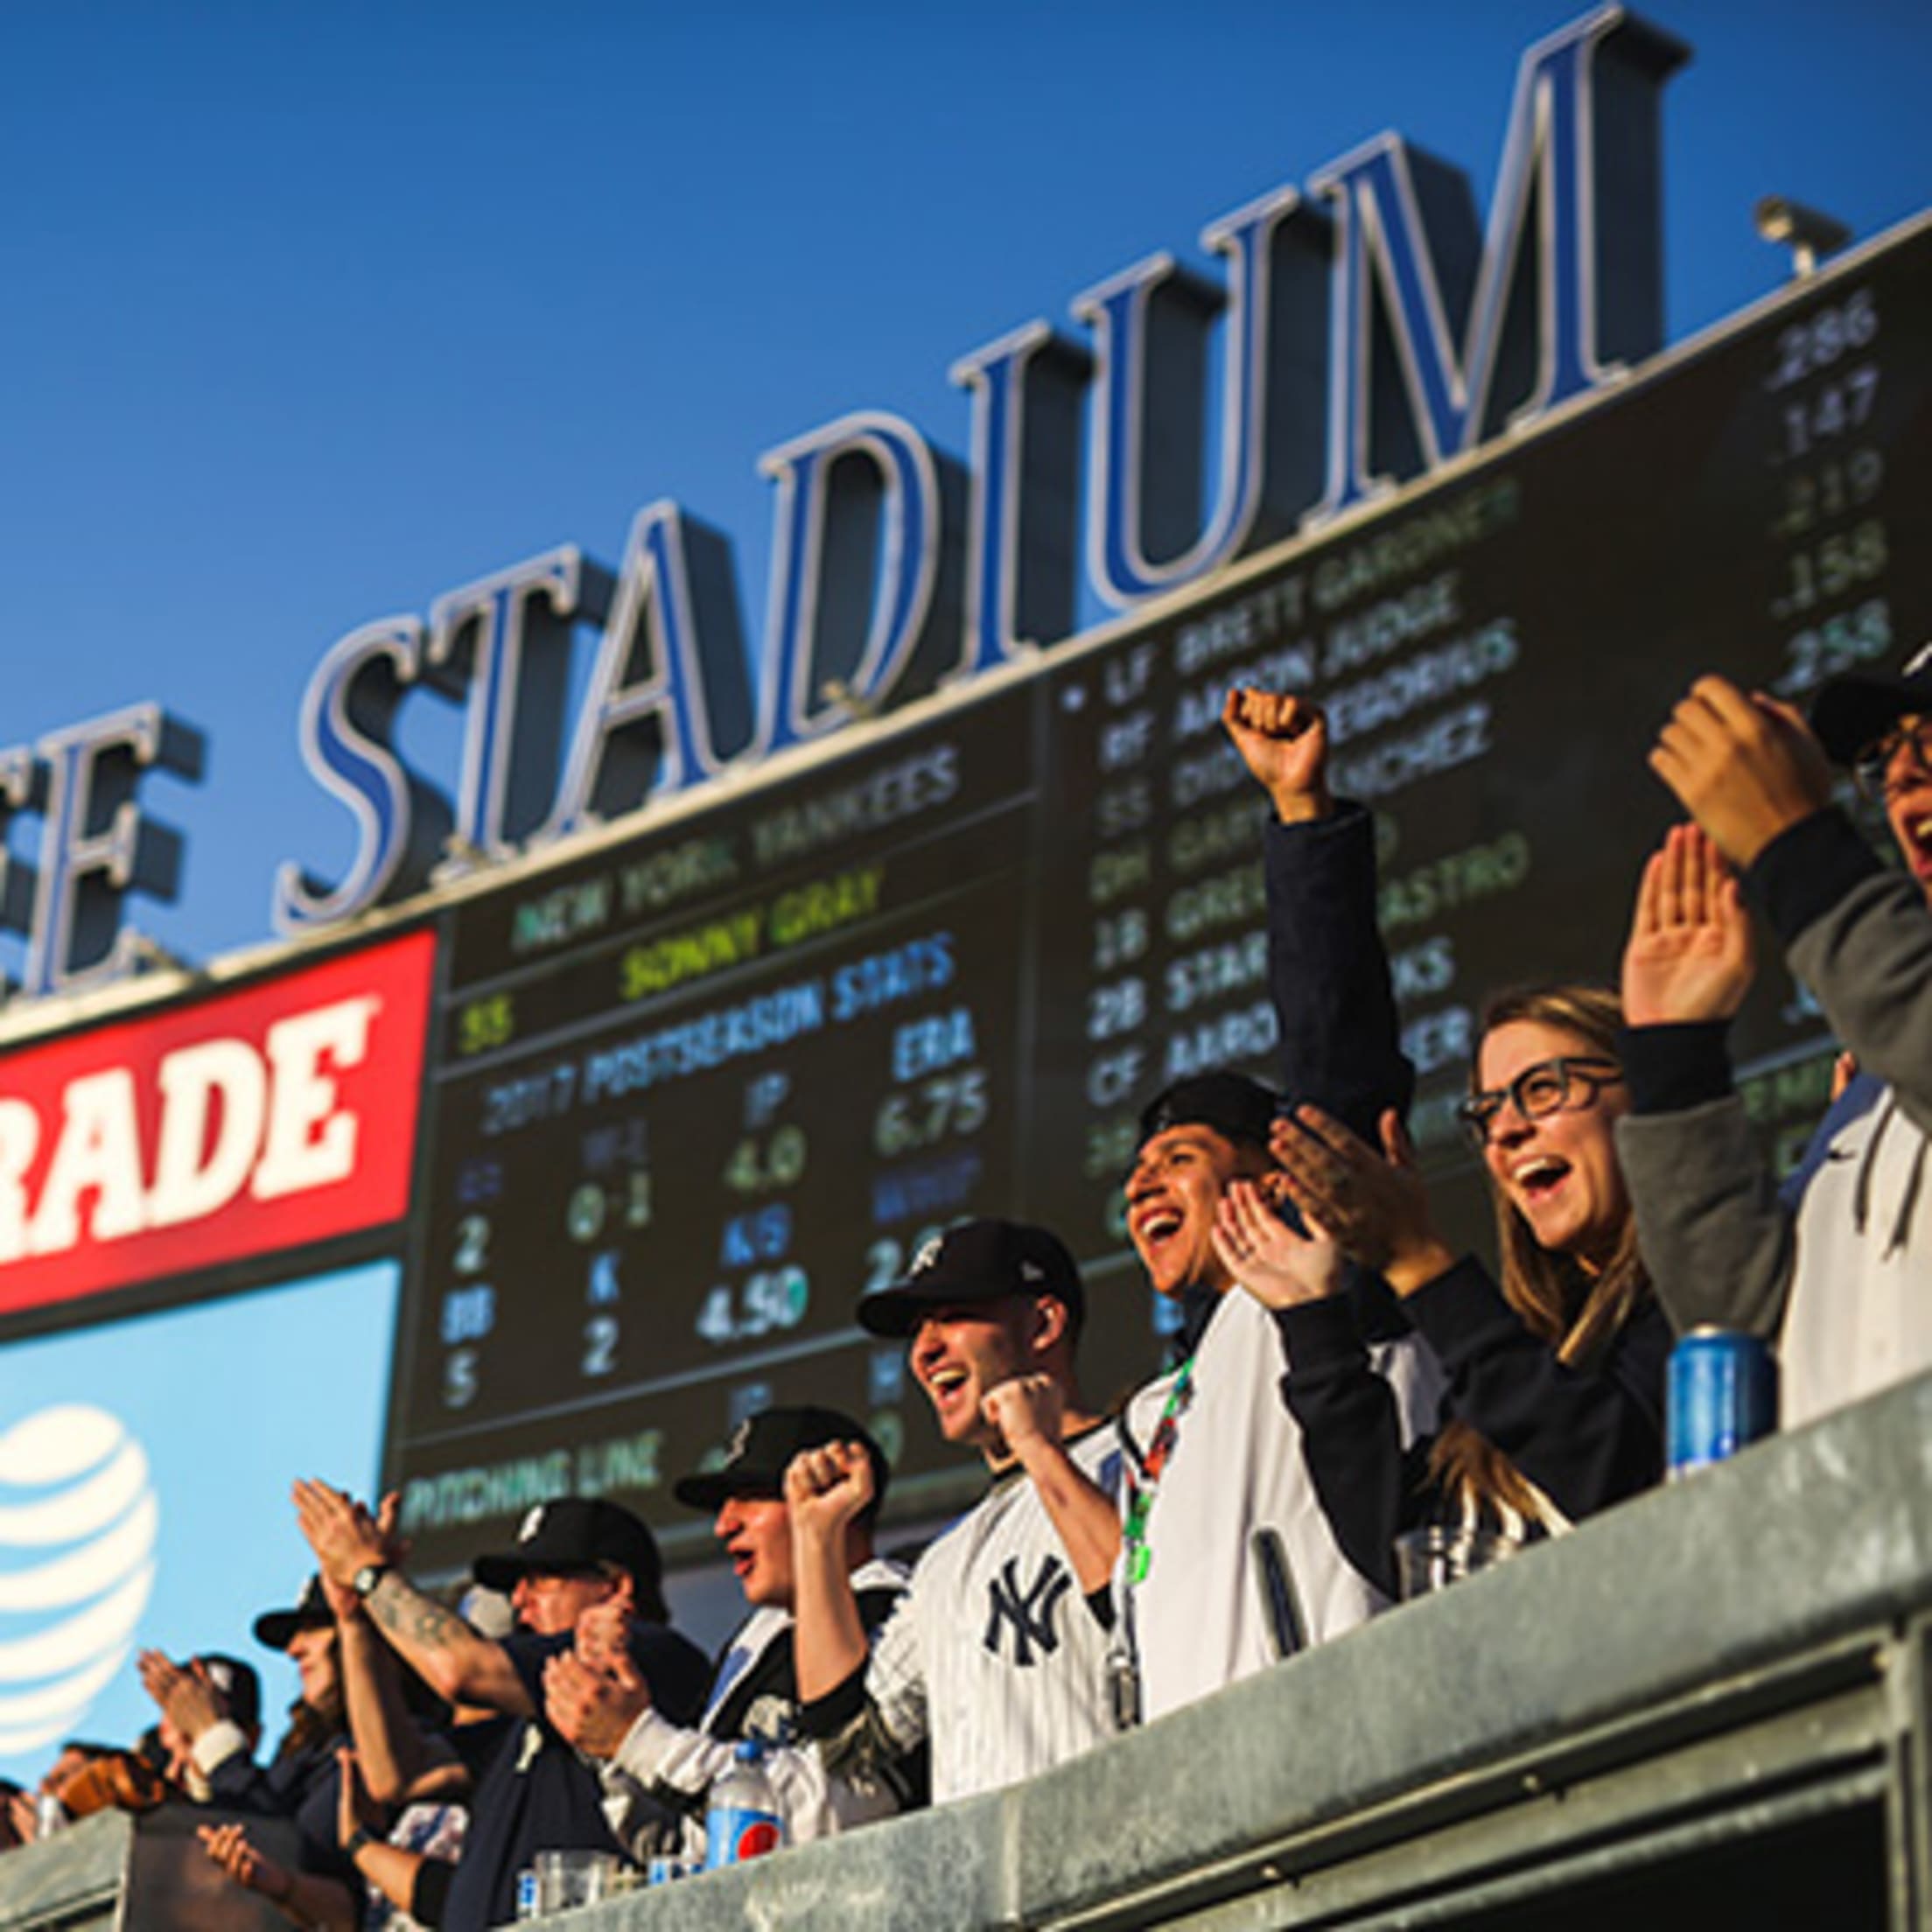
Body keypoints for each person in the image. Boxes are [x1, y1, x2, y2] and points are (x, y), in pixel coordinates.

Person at [1108, 691, 1444, 1718]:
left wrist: (1305, 825)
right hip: (1206, 1810)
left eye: (1177, 1158)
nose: (1140, 1186)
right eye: (1135, 1175)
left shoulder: (1315, 1280)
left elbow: (1339, 1058)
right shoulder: (1174, 1397)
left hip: (1342, 1756)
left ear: (1272, 1172)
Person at [1618, 662, 1932, 1424]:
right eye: (1887, 757)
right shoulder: (1871, 1097)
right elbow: (1736, 1328)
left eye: (1930, 744)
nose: (1904, 778)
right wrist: (1676, 1065)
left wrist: (1801, 855)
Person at [788, 1219, 1124, 1800]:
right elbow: (850, 1747)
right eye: (918, 1329)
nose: (924, 1350)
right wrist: (816, 1542)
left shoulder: (1138, 1451)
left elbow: (1156, 1608)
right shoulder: (946, 1559)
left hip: (1131, 1867)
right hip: (983, 1884)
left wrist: (1038, 1449)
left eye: (953, 1316)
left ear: (1044, 1322)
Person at [294, 1482, 709, 1931]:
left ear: (615, 1587)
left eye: (542, 1580)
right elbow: (396, 1773)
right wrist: (354, 1621)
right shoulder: (527, 1718)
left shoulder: (646, 1656)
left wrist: (368, 1573)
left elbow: (459, 1669)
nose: (519, 1601)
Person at [545, 1405, 913, 1857]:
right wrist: (616, 1752)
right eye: (722, 1504)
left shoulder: (897, 1608)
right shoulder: (752, 1640)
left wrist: (638, 1739)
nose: (724, 1523)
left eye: (753, 1495)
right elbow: (684, 1845)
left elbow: (840, 1808)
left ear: (838, 1495)